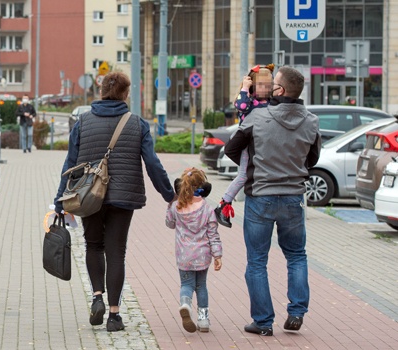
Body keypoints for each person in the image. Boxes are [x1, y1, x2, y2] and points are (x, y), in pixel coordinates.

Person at [53, 71, 176, 332]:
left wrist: (59, 200)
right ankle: (114, 315)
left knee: (93, 245)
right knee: (116, 251)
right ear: (125, 93)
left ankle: (97, 296)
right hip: (123, 196)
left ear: (101, 91)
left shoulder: (83, 122)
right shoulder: (137, 124)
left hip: (88, 195)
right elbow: (152, 163)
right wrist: (169, 195)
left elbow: (70, 164)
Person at [225, 66, 321, 336]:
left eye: (272, 83)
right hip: (293, 198)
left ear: (280, 90)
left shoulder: (257, 117)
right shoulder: (311, 121)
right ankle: (297, 312)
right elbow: (312, 159)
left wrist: (259, 164)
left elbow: (231, 149)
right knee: (296, 255)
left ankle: (263, 322)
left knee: (257, 261)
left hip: (261, 199)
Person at [215, 64, 274, 228]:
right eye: (261, 85)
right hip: (247, 144)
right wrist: (245, 87)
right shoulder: (249, 102)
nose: (265, 88)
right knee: (243, 175)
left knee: (251, 174)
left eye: (268, 85)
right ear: (253, 85)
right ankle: (223, 205)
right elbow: (240, 106)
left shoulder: (270, 101)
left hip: (261, 143)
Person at [165, 168, 222, 333]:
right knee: (201, 285)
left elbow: (169, 224)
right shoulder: (207, 209)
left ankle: (185, 304)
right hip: (202, 256)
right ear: (201, 186)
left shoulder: (177, 206)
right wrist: (217, 255)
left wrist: (170, 204)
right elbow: (213, 234)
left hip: (184, 255)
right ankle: (203, 320)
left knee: (186, 284)